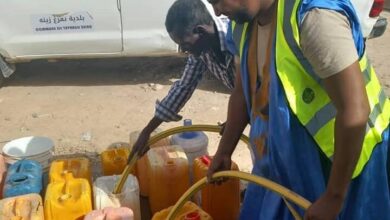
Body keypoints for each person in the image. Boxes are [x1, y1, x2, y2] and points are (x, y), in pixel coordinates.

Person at [206, 0, 390, 219]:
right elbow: (241, 91)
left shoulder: (314, 17)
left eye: (217, 1)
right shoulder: (241, 24)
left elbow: (355, 111)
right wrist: (224, 150)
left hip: (347, 160)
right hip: (290, 157)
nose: (216, 12)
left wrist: (334, 197)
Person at [130, 0, 236, 155]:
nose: (185, 51)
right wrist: (147, 132)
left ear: (200, 31)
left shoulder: (236, 37)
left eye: (185, 45)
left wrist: (238, 118)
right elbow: (184, 87)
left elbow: (259, 86)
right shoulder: (201, 49)